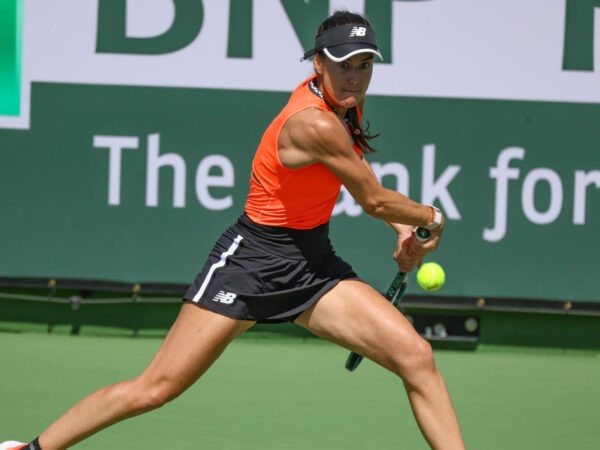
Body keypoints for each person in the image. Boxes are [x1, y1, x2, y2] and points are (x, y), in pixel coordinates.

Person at [1, 10, 465, 450]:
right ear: (319, 63)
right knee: (156, 388)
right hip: (250, 264)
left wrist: (401, 227)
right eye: (344, 65)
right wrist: (429, 218)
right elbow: (372, 199)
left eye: (364, 66)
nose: (355, 76)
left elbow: (363, 183)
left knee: (416, 357)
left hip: (312, 266)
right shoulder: (315, 123)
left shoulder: (342, 107)